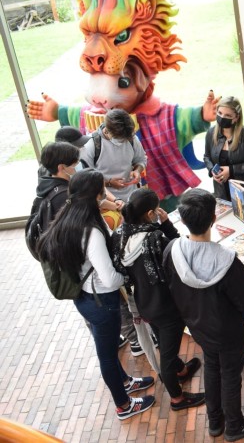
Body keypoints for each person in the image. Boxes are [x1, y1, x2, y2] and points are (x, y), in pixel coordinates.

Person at [37, 169, 155, 420]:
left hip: (86, 298)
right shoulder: (90, 232)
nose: (106, 193)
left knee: (109, 350)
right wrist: (128, 277)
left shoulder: (69, 215)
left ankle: (124, 382)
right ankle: (123, 406)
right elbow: (110, 278)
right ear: (94, 194)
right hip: (101, 301)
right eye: (102, 189)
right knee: (108, 355)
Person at [164, 189, 244, 440]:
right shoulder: (227, 261)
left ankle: (215, 421)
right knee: (231, 375)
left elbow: (172, 286)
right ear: (213, 219)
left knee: (212, 367)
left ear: (183, 219)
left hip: (198, 326)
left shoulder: (172, 251)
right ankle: (234, 426)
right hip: (229, 332)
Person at [111, 188, 205, 411]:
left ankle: (181, 370)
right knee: (168, 352)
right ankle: (177, 398)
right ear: (151, 212)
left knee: (164, 342)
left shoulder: (119, 234)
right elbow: (181, 251)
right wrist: (166, 225)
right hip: (167, 304)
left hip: (144, 301)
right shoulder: (155, 238)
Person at [203, 96, 244, 214]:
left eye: (228, 116)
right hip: (222, 190)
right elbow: (207, 156)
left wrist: (231, 170)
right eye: (220, 113)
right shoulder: (211, 132)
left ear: (236, 118)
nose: (222, 117)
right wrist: (212, 170)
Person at [81, 108, 147, 201]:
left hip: (131, 196)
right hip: (106, 200)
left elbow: (141, 159)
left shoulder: (131, 138)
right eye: (119, 139)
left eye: (125, 139)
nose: (122, 142)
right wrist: (109, 183)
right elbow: (85, 179)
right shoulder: (91, 145)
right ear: (106, 131)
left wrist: (137, 171)